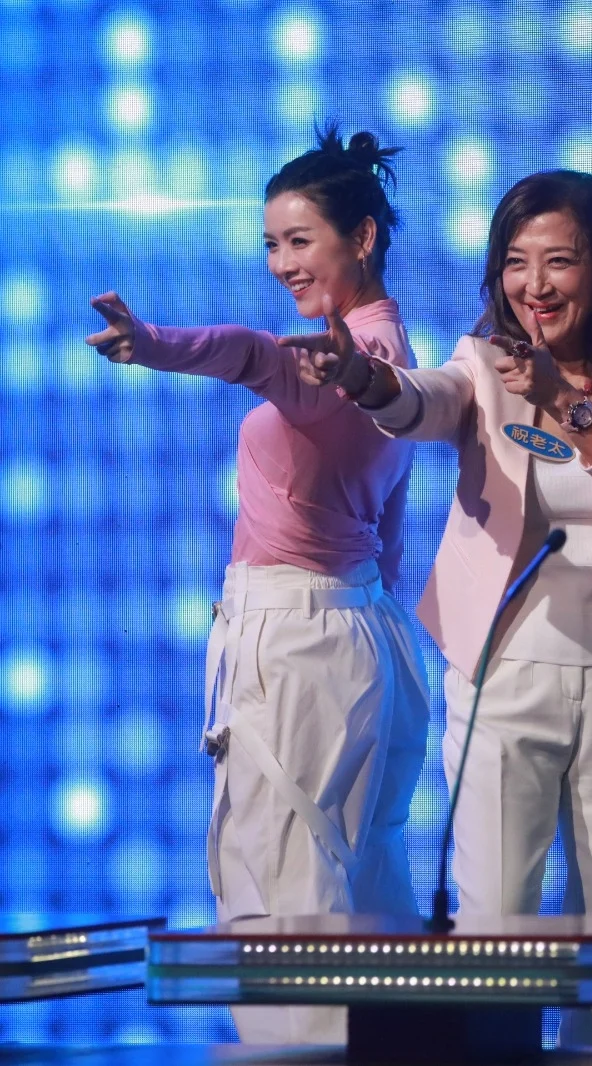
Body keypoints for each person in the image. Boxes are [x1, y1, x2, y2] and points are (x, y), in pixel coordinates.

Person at [296, 169, 592, 1050]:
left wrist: (566, 403)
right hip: (503, 678)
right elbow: (422, 402)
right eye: (516, 262)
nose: (534, 284)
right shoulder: (483, 366)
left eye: (559, 261)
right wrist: (364, 379)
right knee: (494, 926)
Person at [83, 127, 428, 1045]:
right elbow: (390, 530)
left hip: (301, 642)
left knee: (283, 897)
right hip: (358, 632)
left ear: (362, 236)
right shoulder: (397, 360)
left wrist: (154, 343)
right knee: (363, 891)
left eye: (300, 240)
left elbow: (250, 354)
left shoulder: (343, 363)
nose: (281, 263)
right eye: (272, 243)